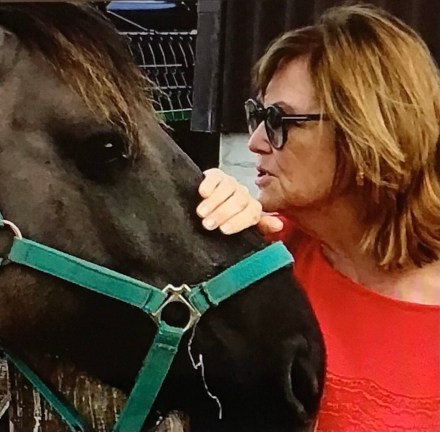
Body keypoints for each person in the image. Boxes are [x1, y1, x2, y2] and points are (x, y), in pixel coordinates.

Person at [196, 4, 440, 431]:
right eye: (258, 116)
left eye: (278, 119)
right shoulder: (262, 262)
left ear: (365, 131)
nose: (255, 142)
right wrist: (199, 227)